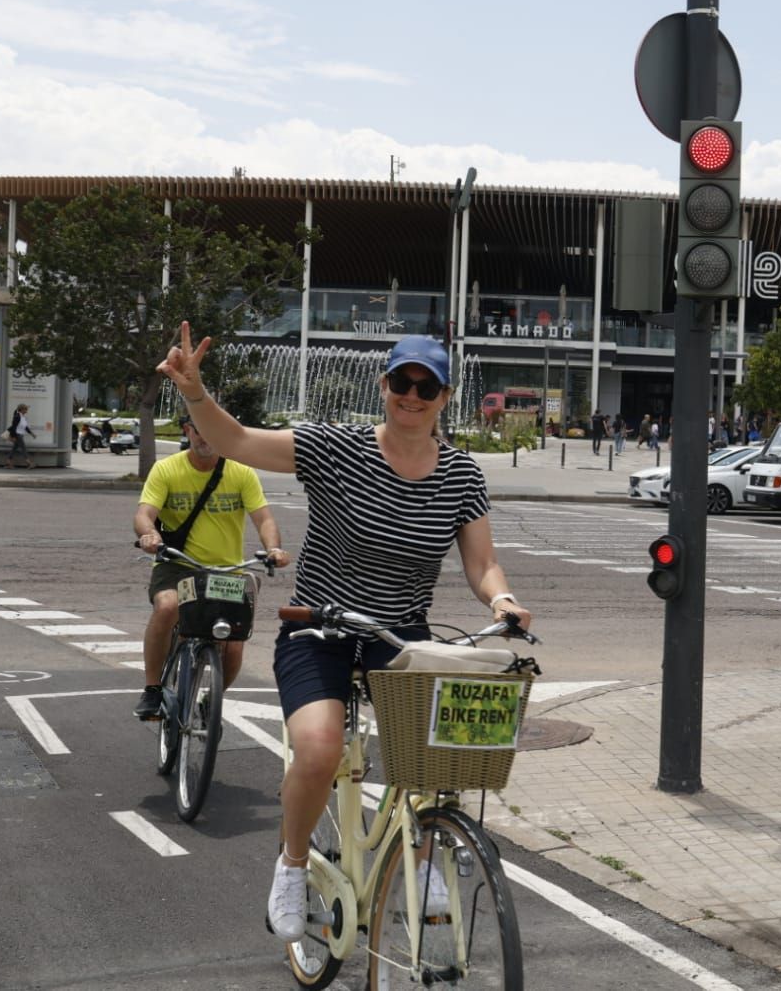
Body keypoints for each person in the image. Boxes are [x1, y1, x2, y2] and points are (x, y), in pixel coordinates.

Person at [157, 324, 531, 944]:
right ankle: (293, 865)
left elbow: (481, 561)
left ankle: (423, 855)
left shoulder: (461, 475)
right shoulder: (338, 449)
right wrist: (196, 394)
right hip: (320, 628)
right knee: (320, 748)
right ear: (384, 384)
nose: (411, 396)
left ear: (445, 397)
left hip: (400, 635)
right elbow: (239, 440)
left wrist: (504, 598)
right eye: (401, 382)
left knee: (440, 754)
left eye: (427, 386)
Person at [130, 415, 291, 721]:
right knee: (166, 607)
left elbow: (264, 519)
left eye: (212, 432)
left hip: (227, 571)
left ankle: (213, 697)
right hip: (178, 564)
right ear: (187, 430)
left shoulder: (241, 472)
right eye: (198, 431)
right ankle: (152, 689)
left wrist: (273, 548)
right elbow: (144, 513)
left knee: (233, 645)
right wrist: (149, 534)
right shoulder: (167, 469)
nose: (205, 439)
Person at [7, 403, 36, 468]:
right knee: (23, 449)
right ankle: (29, 463)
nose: (27, 410)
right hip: (17, 435)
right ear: (21, 409)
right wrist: (13, 436)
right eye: (25, 409)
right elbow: (13, 427)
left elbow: (26, 427)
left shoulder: (23, 417)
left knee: (14, 449)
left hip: (20, 434)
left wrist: (32, 434)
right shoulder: (17, 416)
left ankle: (9, 462)